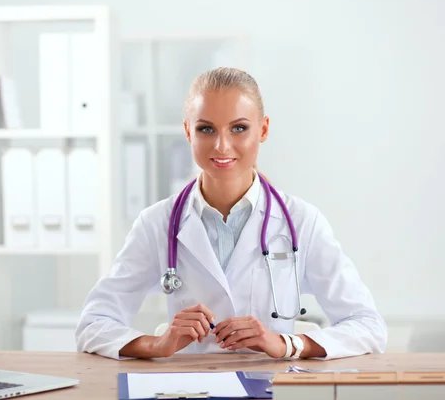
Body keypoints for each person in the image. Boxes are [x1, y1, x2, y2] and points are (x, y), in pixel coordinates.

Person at [76, 67, 387, 360]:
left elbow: (368, 326)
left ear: (263, 129)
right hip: (188, 389)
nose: (222, 146)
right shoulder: (157, 223)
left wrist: (286, 344)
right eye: (206, 129)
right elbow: (93, 325)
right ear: (188, 131)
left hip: (271, 388)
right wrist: (158, 344)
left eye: (239, 128)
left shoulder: (302, 222)